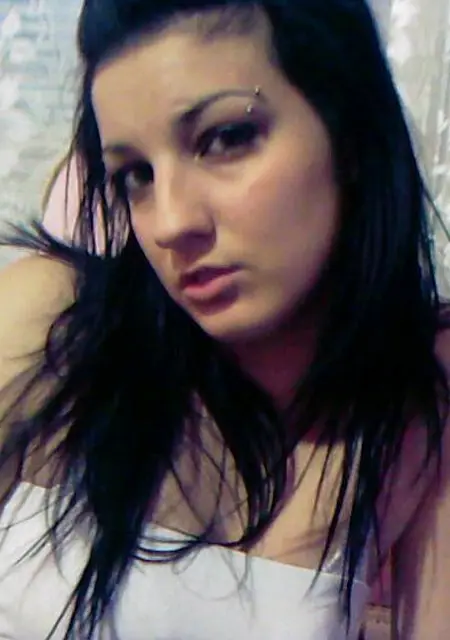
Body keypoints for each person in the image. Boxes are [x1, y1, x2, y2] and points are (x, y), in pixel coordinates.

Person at [0, 0, 448, 638]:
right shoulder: (52, 323)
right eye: (135, 175)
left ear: (349, 131)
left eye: (226, 138)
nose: (170, 222)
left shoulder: (415, 401)